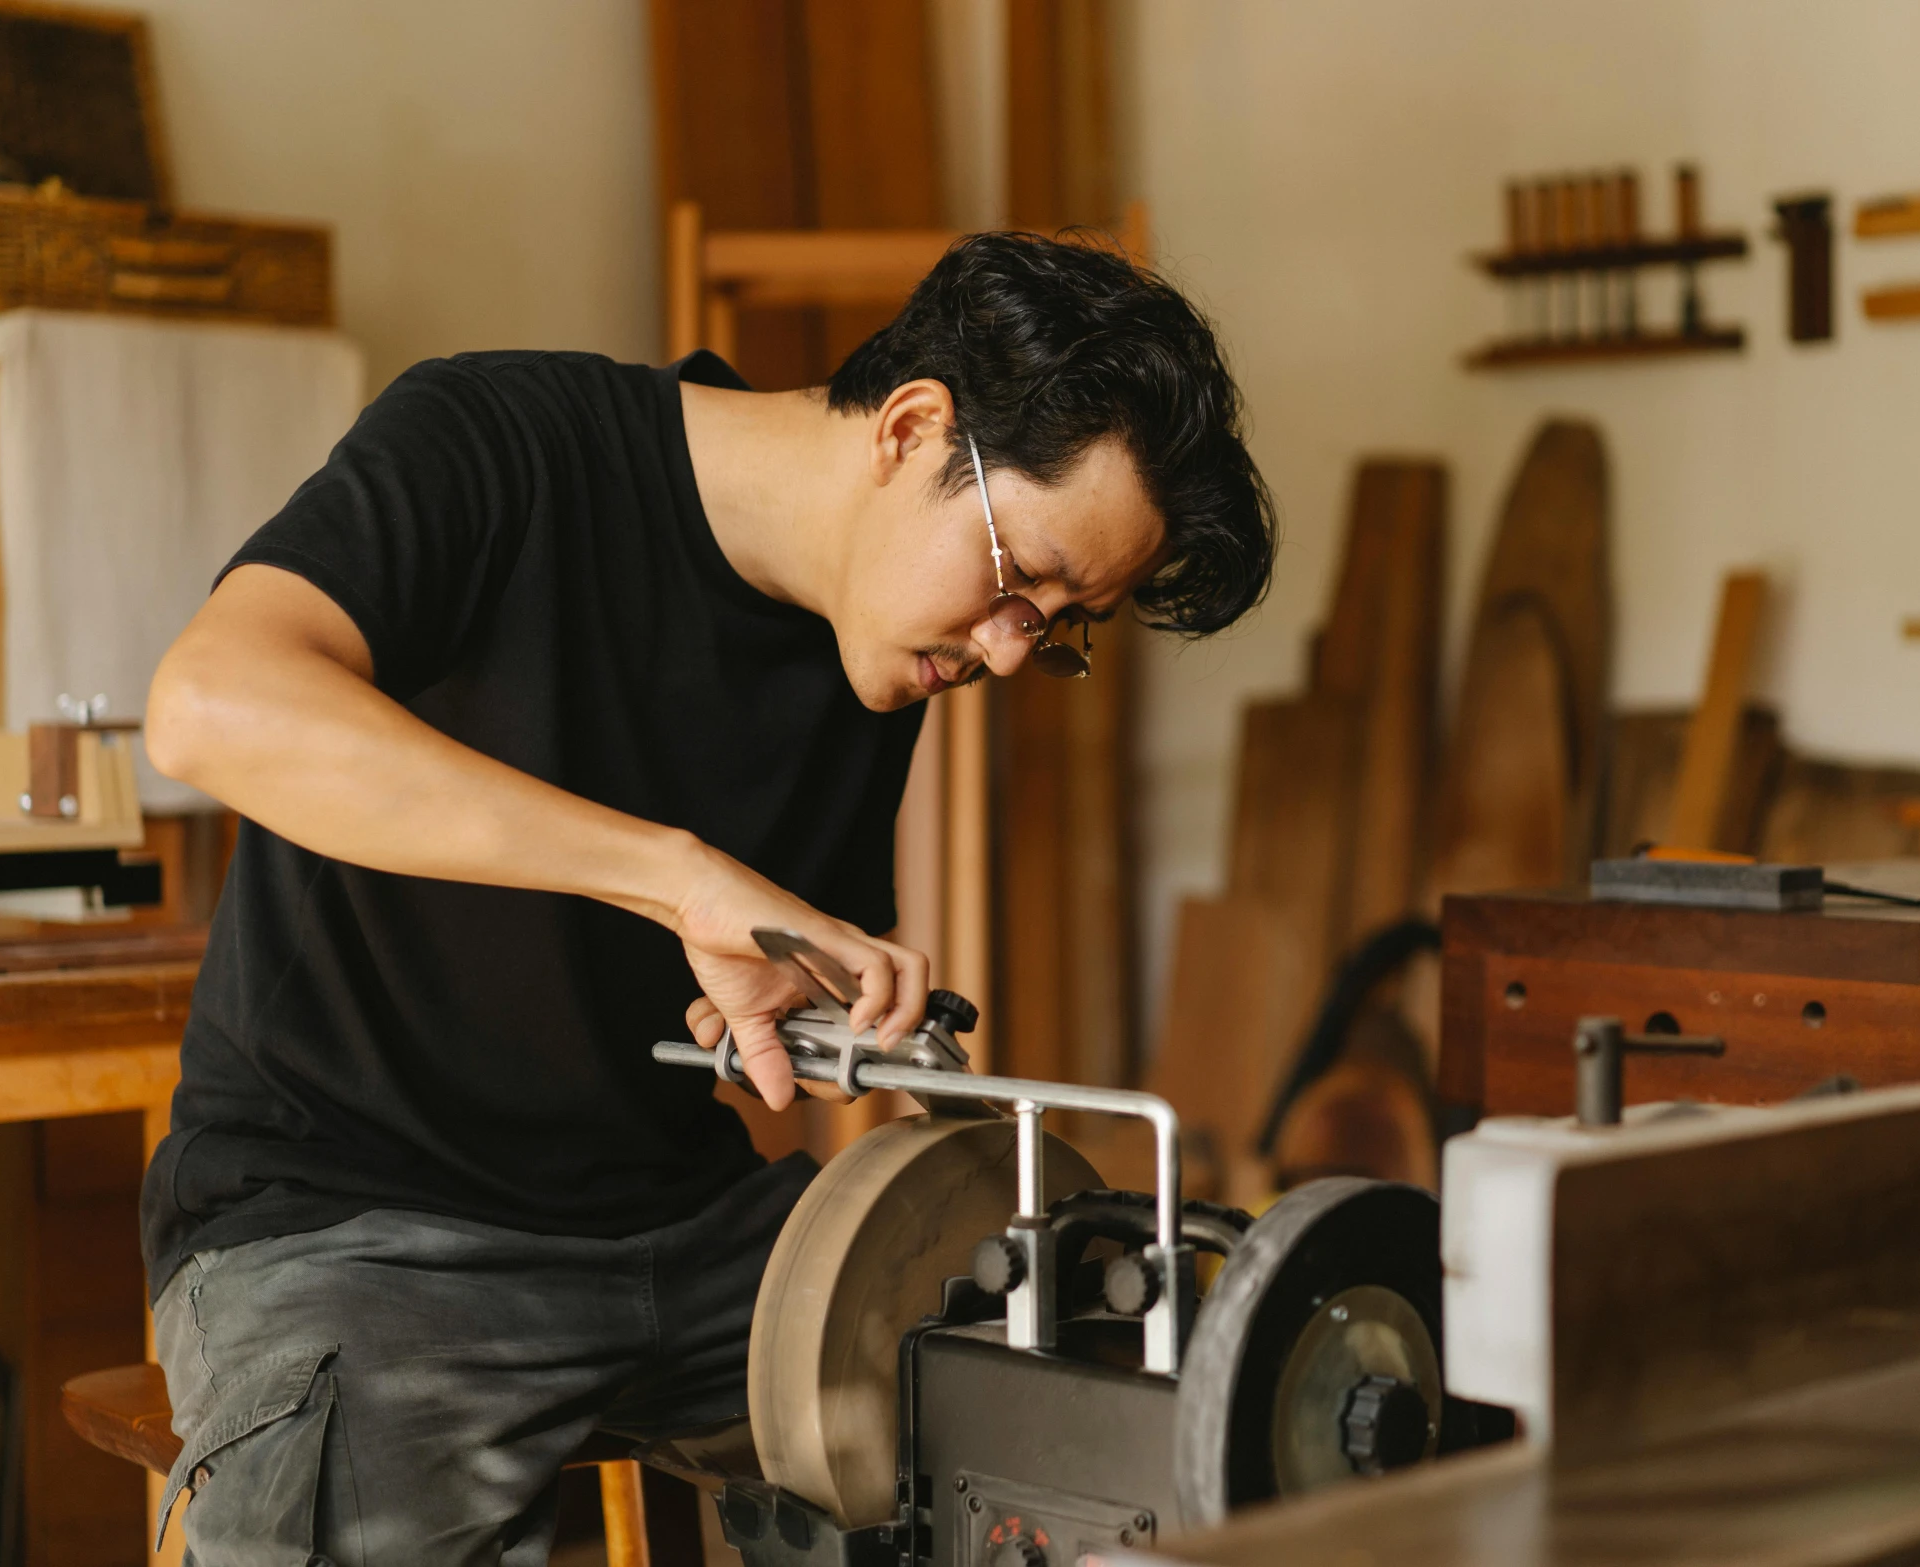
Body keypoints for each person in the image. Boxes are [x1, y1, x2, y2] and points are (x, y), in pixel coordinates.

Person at [138, 228, 1274, 1563]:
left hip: (679, 1225)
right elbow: (207, 707)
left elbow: (732, 1005)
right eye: (1019, 577)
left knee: (1045, 1437)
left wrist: (831, 1008)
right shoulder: (499, 440)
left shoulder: (886, 644)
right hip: (353, 1225)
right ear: (914, 427)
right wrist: (677, 877)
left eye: (1058, 624)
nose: (1009, 647)